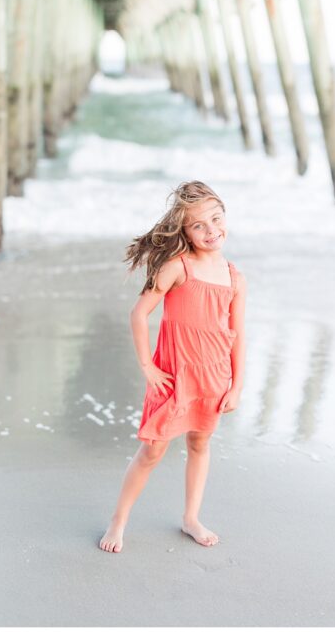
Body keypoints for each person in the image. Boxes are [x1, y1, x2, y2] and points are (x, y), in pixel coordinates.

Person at [99, 181, 247, 553]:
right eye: (199, 225)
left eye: (216, 219)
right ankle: (118, 521)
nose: (212, 230)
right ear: (184, 231)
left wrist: (237, 385)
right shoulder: (178, 267)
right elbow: (139, 313)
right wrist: (147, 366)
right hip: (174, 378)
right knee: (152, 451)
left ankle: (191, 517)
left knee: (200, 443)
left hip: (213, 376)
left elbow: (238, 334)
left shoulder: (234, 277)